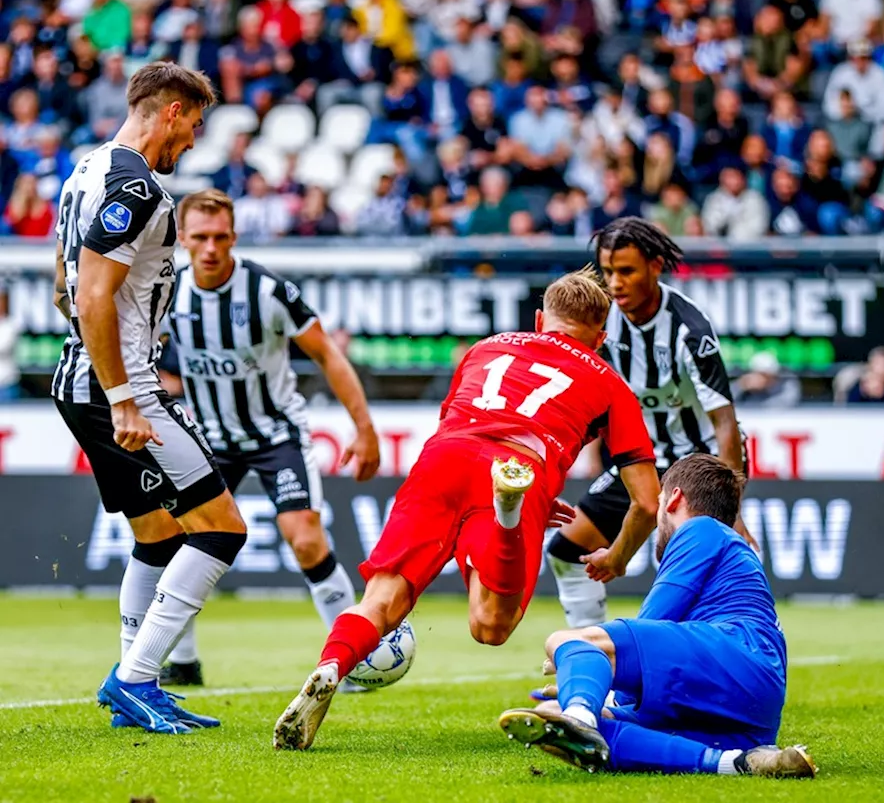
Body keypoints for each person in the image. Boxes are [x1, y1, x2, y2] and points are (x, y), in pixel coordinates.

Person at [272, 269, 662, 751]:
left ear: (541, 319)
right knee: (490, 626)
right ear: (600, 338)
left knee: (381, 599)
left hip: (444, 459)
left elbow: (463, 424)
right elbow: (647, 501)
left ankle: (331, 666)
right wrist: (618, 556)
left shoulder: (486, 347)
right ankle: (507, 515)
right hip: (523, 466)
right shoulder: (610, 382)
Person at [50, 62, 239, 734]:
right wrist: (126, 396)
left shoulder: (86, 168)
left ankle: (141, 679)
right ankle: (132, 680)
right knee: (221, 527)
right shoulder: (135, 183)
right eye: (193, 124)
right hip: (117, 388)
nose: (191, 141)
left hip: (84, 377)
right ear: (173, 110)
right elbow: (95, 294)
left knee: (156, 532)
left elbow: (63, 283)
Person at [154, 189, 381, 689]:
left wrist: (364, 429)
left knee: (304, 538)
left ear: (234, 237)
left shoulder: (267, 291)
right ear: (183, 240)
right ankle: (184, 662)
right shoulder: (168, 291)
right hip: (210, 437)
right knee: (181, 541)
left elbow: (328, 355)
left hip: (276, 433)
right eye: (200, 238)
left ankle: (352, 661)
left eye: (220, 237)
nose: (211, 248)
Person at [499, 453, 814, 778]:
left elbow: (649, 622)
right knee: (549, 715)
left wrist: (592, 667)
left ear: (674, 498)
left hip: (735, 657)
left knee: (565, 640)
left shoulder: (700, 529)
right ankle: (738, 762)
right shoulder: (728, 547)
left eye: (660, 500)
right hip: (749, 708)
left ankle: (581, 717)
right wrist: (594, 685)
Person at [545, 218, 752, 631]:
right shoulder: (603, 321)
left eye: (626, 271)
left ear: (655, 266)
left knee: (683, 566)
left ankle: (716, 658)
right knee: (567, 551)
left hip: (699, 463)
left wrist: (732, 505)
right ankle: (588, 659)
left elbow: (725, 423)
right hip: (642, 460)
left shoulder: (688, 329)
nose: (615, 283)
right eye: (607, 272)